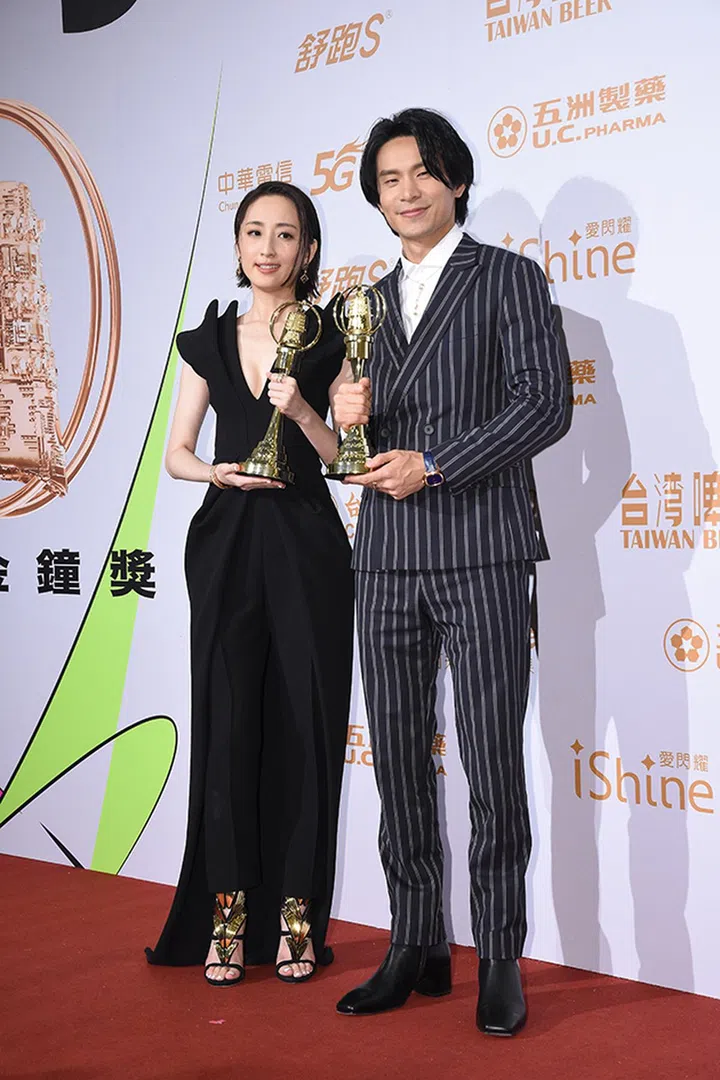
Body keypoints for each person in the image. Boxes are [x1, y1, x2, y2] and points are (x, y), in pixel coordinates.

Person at [333, 109, 570, 1034]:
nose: (408, 190)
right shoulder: (364, 305)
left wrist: (437, 462)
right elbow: (351, 450)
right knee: (395, 758)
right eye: (390, 179)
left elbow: (544, 405)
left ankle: (500, 953)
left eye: (424, 172)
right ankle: (416, 941)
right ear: (376, 196)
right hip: (386, 555)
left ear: (457, 181)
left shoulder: (508, 277)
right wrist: (346, 415)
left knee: (490, 759)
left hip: (481, 548)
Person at [146, 181, 353, 986]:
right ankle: (226, 916)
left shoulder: (332, 338)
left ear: (307, 249)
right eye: (254, 232)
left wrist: (302, 410)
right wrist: (219, 473)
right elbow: (177, 453)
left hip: (307, 543)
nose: (268, 247)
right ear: (238, 246)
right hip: (228, 540)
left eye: (285, 233)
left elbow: (346, 458)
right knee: (228, 723)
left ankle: (298, 917)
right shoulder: (207, 339)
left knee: (306, 721)